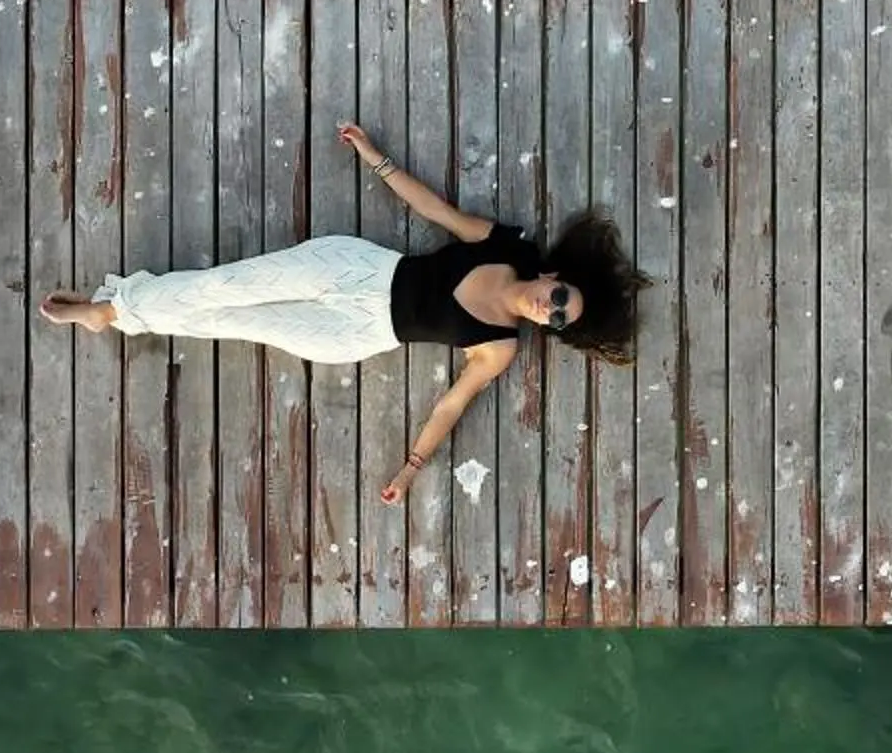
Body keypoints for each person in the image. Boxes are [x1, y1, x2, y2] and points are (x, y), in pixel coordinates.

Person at [40, 122, 647, 503]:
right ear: (555, 278)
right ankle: (112, 307)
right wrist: (377, 159)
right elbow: (439, 212)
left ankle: (116, 315)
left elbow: (452, 404)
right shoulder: (507, 246)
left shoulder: (500, 346)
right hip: (357, 269)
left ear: (552, 328)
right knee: (225, 286)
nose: (552, 309)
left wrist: (411, 469)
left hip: (356, 333)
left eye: (560, 320)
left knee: (233, 323)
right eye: (562, 298)